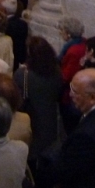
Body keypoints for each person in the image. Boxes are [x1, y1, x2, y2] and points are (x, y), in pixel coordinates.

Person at [14, 36, 62, 178]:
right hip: (50, 115)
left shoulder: (22, 74)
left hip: (31, 116)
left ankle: (33, 181)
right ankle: (46, 183)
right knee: (48, 148)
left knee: (32, 150)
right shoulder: (56, 72)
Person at [58, 16, 87, 134]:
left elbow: (67, 76)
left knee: (71, 127)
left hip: (71, 95)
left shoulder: (74, 51)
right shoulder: (83, 43)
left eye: (62, 31)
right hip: (78, 91)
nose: (60, 33)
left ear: (68, 34)